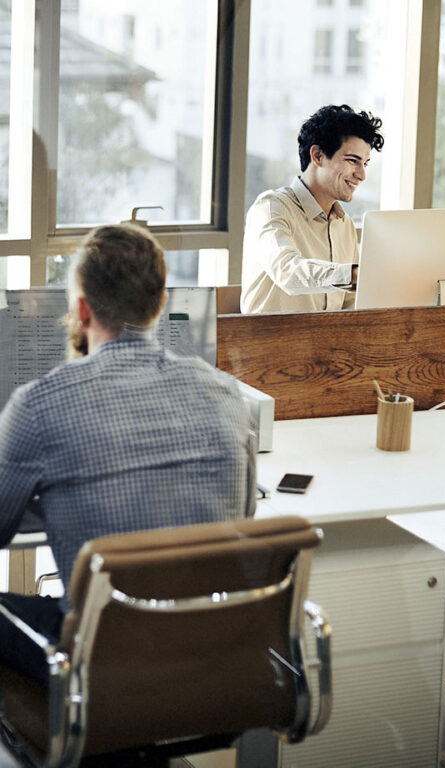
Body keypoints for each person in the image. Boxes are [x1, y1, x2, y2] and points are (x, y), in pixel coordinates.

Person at [0, 223, 256, 684]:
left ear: (82, 310)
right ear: (160, 303)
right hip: (209, 651)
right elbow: (243, 513)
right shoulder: (225, 392)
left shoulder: (37, 406)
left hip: (99, 663)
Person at [240, 104, 384, 314]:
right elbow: (288, 272)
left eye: (365, 163)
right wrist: (354, 275)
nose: (361, 175)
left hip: (327, 336)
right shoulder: (271, 207)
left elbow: (350, 306)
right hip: (270, 336)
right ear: (317, 156)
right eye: (353, 161)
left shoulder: (344, 224)